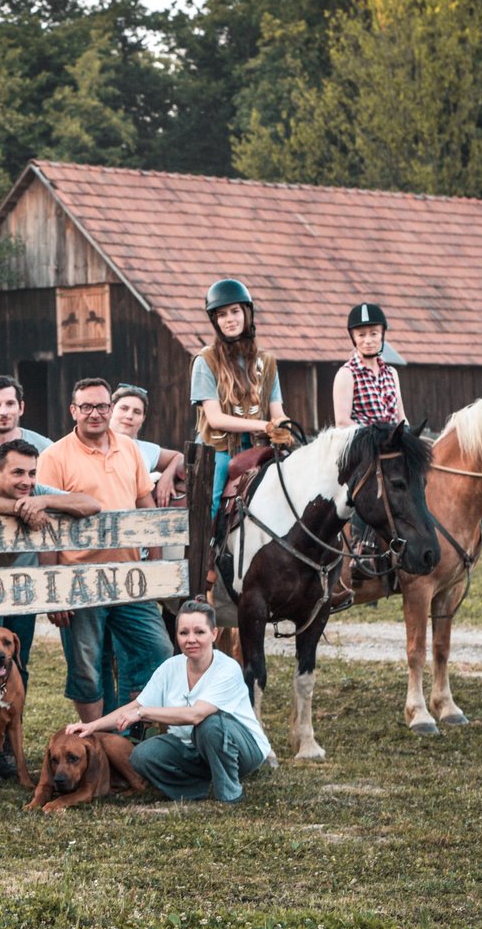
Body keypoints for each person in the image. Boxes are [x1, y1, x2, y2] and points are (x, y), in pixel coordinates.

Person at [37, 378, 173, 724]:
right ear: (74, 411)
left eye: (100, 406)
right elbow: (47, 527)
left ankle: (130, 726)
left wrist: (153, 568)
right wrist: (55, 594)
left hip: (129, 576)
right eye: (86, 407)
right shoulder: (55, 456)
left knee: (157, 649)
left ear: (109, 409)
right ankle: (97, 741)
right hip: (80, 579)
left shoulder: (129, 449)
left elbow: (146, 508)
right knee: (87, 667)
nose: (94, 413)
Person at [66, 598, 270, 803]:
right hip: (193, 749)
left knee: (210, 725)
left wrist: (143, 713)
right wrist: (91, 726)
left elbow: (195, 714)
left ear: (213, 634)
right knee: (141, 755)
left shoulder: (227, 668)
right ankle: (195, 789)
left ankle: (230, 794)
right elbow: (135, 705)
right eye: (184, 633)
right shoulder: (170, 667)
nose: (191, 639)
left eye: (199, 632)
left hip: (244, 750)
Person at [0, 438, 100, 691]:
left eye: (32, 473)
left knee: (18, 663)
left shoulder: (38, 493)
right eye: (18, 472)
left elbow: (91, 504)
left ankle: (13, 725)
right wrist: (19, 509)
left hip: (22, 592)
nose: (27, 481)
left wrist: (43, 502)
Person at [191, 279, 292, 517]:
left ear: (247, 313)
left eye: (235, 311)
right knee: (210, 506)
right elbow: (215, 419)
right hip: (218, 449)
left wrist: (283, 428)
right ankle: (204, 552)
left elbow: (277, 411)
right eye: (222, 314)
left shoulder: (267, 361)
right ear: (215, 321)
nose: (230, 319)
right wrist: (265, 425)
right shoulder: (205, 361)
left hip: (259, 446)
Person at [332, 303, 406, 427]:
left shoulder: (391, 373)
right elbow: (342, 422)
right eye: (361, 335)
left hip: (393, 443)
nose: (368, 341)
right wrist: (378, 438)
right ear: (353, 338)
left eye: (374, 333)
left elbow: (401, 417)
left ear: (382, 335)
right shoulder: (346, 374)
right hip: (363, 443)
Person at [110, 385, 183, 507]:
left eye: (137, 412)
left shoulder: (145, 449)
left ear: (143, 418)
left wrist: (167, 477)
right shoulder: (93, 444)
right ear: (111, 410)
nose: (129, 416)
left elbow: (178, 457)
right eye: (124, 408)